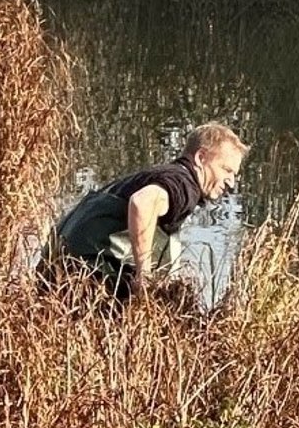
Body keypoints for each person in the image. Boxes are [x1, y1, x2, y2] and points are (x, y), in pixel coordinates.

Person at [48, 123, 249, 301]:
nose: (231, 182)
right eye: (226, 170)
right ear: (201, 157)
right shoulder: (184, 185)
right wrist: (144, 275)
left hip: (55, 267)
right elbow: (142, 203)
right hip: (84, 273)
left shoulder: (163, 174)